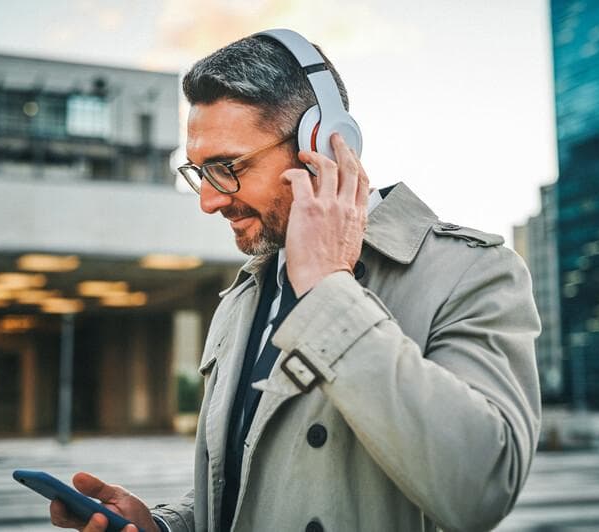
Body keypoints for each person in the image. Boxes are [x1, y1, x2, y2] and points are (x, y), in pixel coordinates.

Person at [50, 29, 541, 532]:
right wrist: (165, 525)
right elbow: (253, 488)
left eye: (227, 167)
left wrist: (329, 286)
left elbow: (483, 486)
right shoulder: (243, 295)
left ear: (325, 142)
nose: (209, 200)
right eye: (200, 172)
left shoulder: (470, 272)